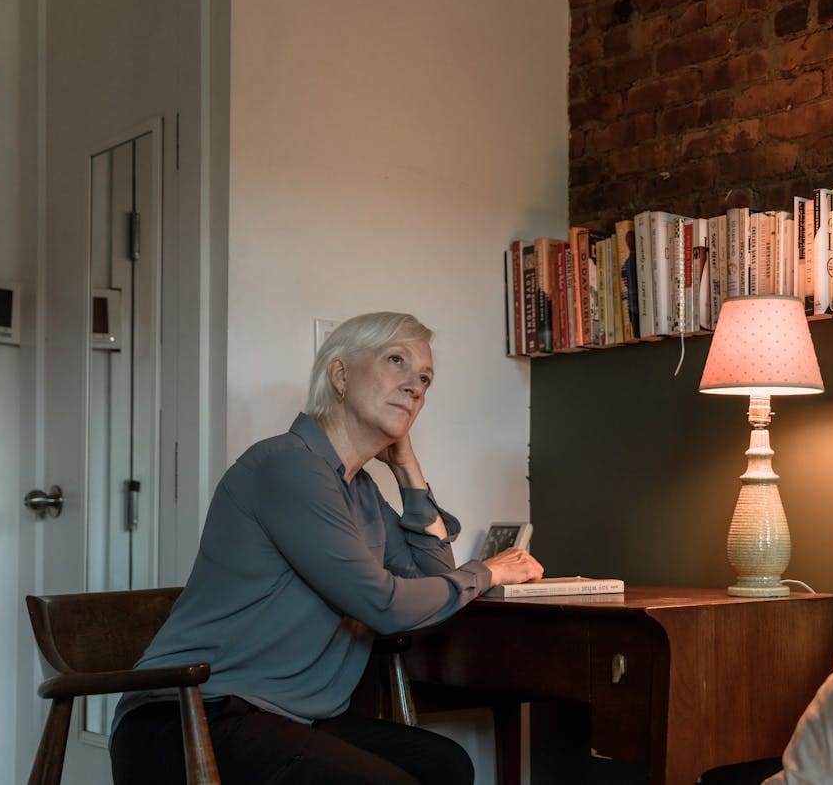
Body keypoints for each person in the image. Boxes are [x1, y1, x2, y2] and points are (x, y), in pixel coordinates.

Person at [110, 312, 544, 785]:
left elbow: (429, 583)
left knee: (444, 765)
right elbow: (386, 605)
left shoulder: (358, 492)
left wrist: (406, 466)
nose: (415, 387)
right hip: (191, 717)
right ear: (340, 375)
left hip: (284, 718)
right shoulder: (286, 466)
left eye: (425, 378)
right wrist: (487, 572)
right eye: (395, 360)